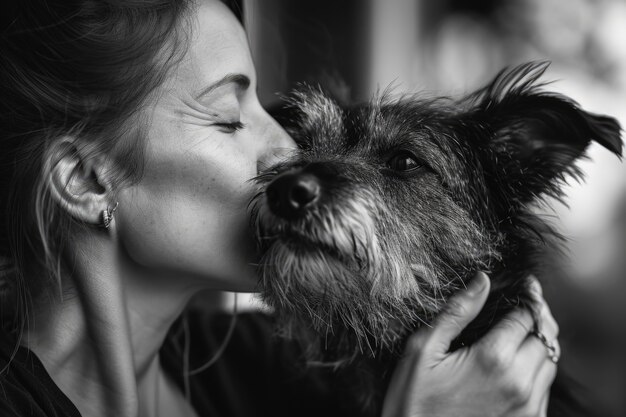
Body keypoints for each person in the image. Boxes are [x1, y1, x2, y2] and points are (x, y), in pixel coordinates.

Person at [0, 1, 559, 416]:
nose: (291, 153)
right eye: (228, 118)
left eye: (270, 111)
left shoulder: (286, 372)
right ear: (86, 179)